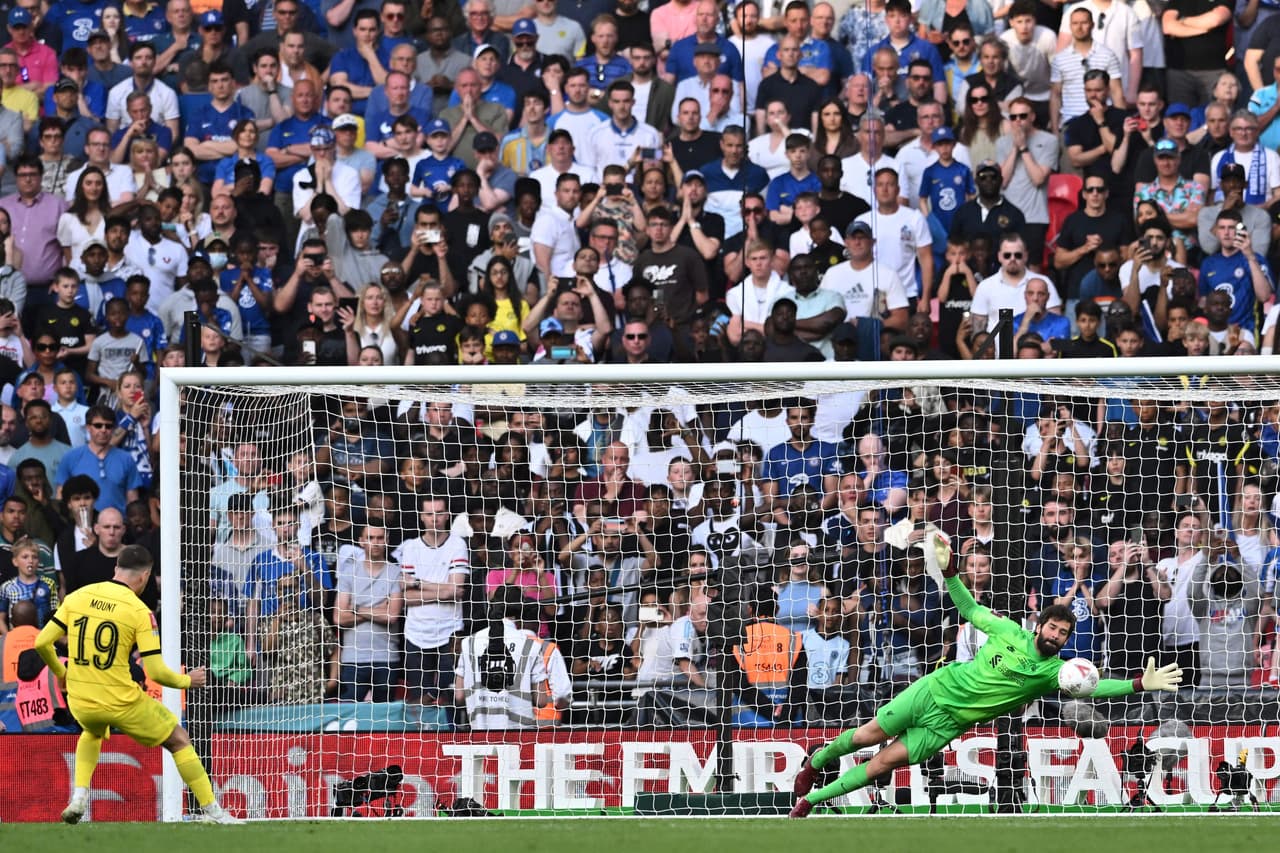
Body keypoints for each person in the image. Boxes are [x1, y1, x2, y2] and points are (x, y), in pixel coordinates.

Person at [789, 530, 1184, 817]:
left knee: (880, 765)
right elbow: (967, 608)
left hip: (946, 725)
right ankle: (816, 763)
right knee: (864, 736)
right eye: (1053, 628)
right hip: (933, 690)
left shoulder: (1055, 673)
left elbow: (1094, 689)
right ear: (1039, 625)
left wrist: (1138, 683)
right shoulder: (1007, 629)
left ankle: (811, 801)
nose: (1057, 636)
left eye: (1063, 634)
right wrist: (951, 573)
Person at [33, 544, 240, 823]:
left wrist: (61, 673)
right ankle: (214, 812)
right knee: (179, 740)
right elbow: (155, 671)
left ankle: (79, 797)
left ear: (116, 568)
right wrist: (188, 680)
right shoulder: (139, 611)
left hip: (81, 700)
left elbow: (42, 642)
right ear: (144, 577)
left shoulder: (77, 596)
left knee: (92, 733)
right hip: (121, 701)